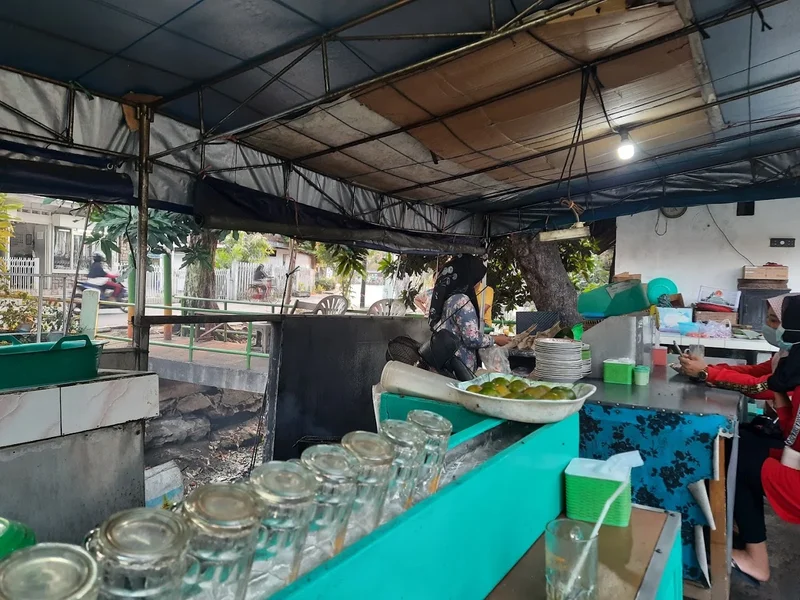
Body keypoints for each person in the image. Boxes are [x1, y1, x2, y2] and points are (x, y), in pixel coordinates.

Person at [730, 294, 800, 584]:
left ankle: (756, 560)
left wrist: (708, 373)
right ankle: (741, 527)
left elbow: (792, 441)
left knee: (741, 460)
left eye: (775, 321)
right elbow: (790, 431)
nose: (768, 327)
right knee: (742, 443)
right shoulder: (790, 361)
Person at [679, 293, 797, 399]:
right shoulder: (788, 352)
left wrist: (705, 372)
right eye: (767, 318)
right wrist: (704, 368)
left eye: (773, 320)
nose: (767, 325)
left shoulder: (796, 364)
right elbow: (756, 371)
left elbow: (758, 387)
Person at [428, 255, 510, 372]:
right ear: (466, 277)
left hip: (447, 361)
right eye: (476, 279)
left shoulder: (449, 299)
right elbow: (471, 339)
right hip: (460, 364)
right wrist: (496, 339)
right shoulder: (462, 301)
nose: (478, 283)